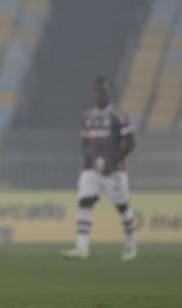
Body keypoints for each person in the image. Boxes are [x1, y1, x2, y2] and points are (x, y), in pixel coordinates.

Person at [62, 77, 137, 261]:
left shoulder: (119, 116)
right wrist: (90, 161)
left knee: (122, 207)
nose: (100, 94)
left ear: (109, 93)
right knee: (84, 203)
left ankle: (130, 245)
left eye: (103, 90)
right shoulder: (88, 117)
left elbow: (130, 143)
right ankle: (81, 248)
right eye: (97, 90)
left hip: (115, 171)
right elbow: (85, 143)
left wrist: (113, 161)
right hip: (92, 170)